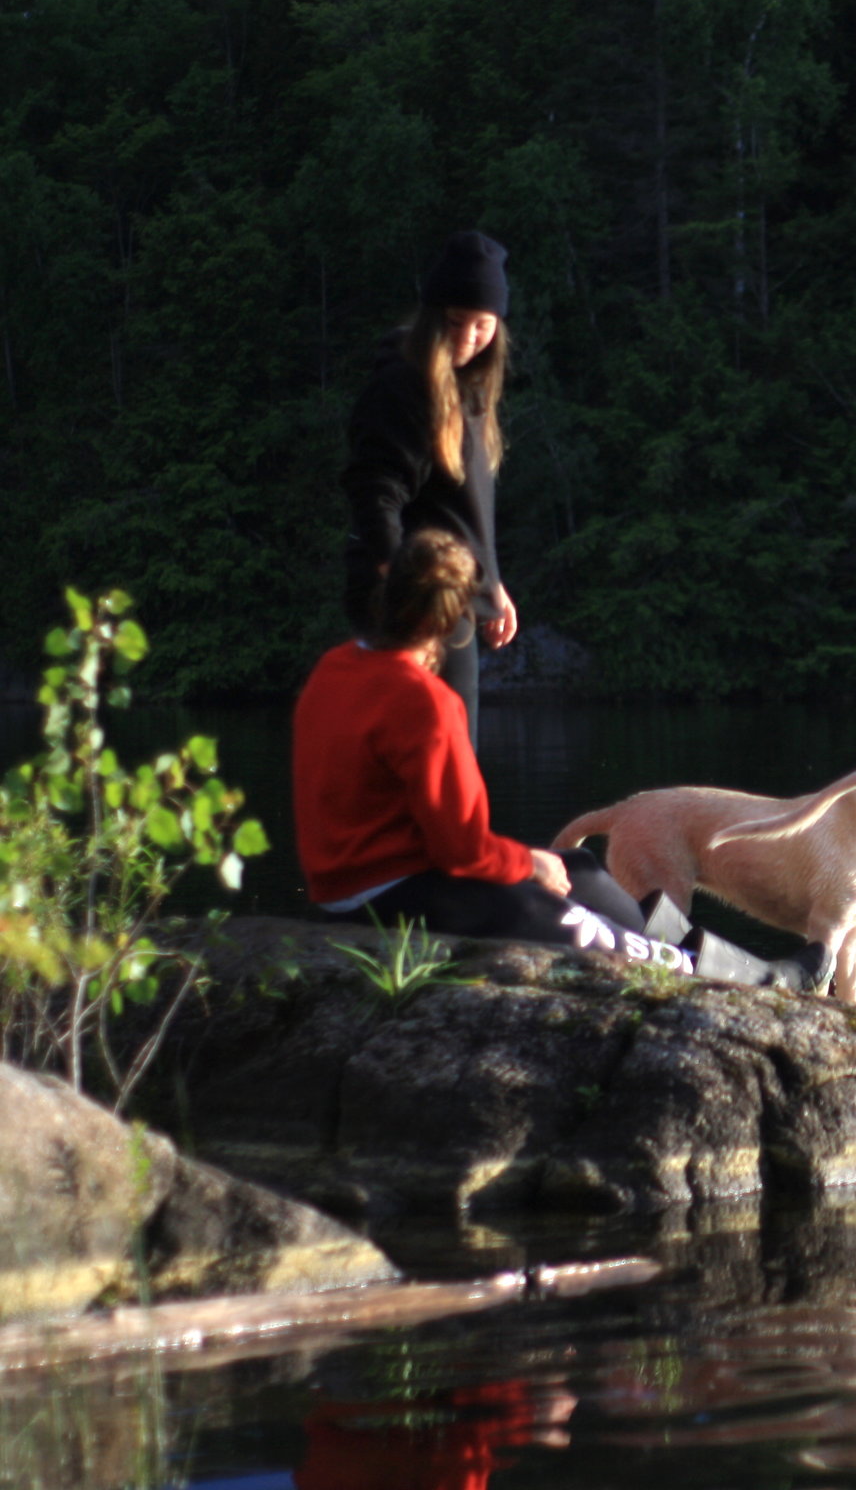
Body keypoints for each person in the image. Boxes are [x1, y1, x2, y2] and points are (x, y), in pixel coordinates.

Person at [294, 528, 812, 987]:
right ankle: (762, 982)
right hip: (387, 898)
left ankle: (725, 957)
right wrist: (526, 862)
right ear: (451, 620)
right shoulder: (423, 702)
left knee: (580, 869)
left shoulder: (335, 667)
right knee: (569, 915)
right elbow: (460, 850)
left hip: (348, 887)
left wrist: (537, 863)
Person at [342, 230, 518, 743]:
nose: (467, 337)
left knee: (450, 751)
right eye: (455, 321)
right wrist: (405, 596)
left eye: (482, 325)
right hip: (414, 599)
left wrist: (492, 586)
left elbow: (462, 510)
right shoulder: (402, 384)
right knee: (438, 753)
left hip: (452, 594)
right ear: (431, 316)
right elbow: (375, 491)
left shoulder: (473, 391)